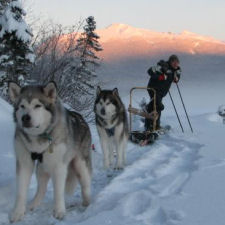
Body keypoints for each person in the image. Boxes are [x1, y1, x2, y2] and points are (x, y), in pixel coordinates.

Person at [145, 55, 181, 131]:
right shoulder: (163, 66)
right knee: (159, 106)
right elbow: (150, 71)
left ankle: (152, 126)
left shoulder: (176, 69)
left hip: (161, 92)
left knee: (155, 107)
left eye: (177, 63)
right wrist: (161, 77)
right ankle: (153, 125)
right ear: (170, 62)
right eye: (174, 63)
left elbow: (176, 79)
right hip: (153, 89)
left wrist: (176, 78)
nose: (176, 65)